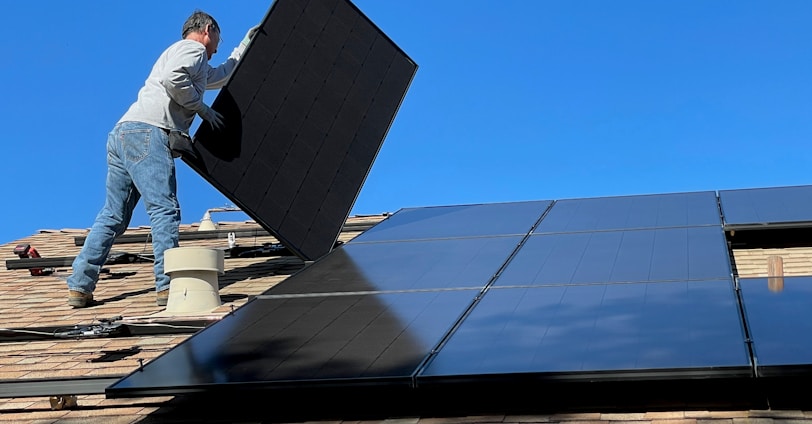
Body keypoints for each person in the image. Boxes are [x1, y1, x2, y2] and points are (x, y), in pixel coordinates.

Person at [66, 10, 259, 308]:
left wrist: (245, 45)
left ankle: (80, 285)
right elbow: (174, 79)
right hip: (148, 132)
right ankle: (168, 287)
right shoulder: (193, 49)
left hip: (123, 134)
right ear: (208, 30)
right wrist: (202, 110)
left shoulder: (184, 55)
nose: (218, 47)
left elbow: (220, 76)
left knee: (113, 216)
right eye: (219, 38)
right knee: (164, 209)